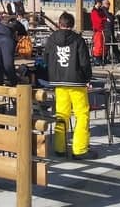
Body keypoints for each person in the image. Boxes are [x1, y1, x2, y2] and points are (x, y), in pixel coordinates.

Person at [45, 11, 96, 160]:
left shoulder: (51, 39)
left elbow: (46, 57)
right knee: (82, 114)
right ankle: (79, 149)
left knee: (62, 114)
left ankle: (59, 147)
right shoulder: (78, 40)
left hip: (59, 82)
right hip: (76, 82)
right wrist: (88, 78)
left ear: (59, 24)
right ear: (72, 25)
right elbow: (85, 62)